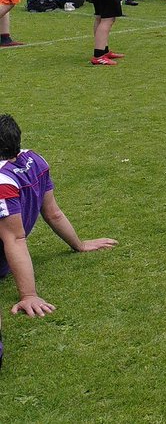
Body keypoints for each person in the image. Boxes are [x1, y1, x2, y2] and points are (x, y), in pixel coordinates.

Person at [0, 113, 118, 344]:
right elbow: (52, 212)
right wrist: (79, 244)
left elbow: (15, 239)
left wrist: (29, 295)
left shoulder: (2, 181)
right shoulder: (36, 161)